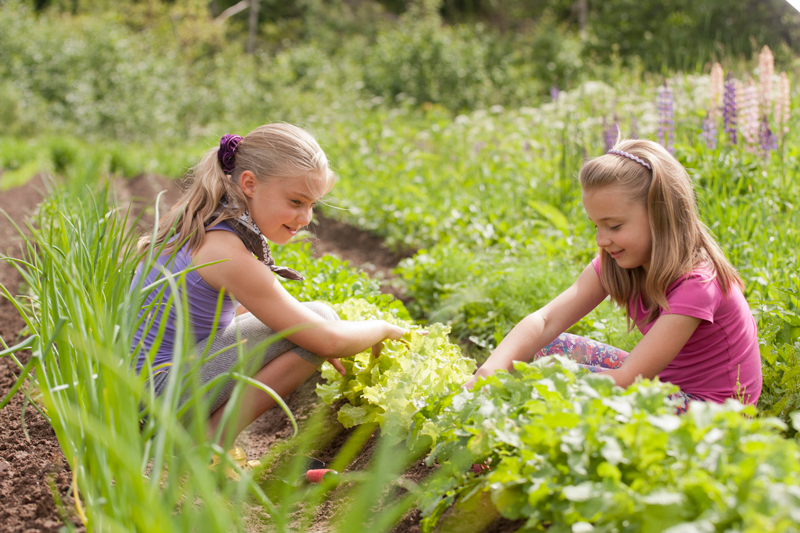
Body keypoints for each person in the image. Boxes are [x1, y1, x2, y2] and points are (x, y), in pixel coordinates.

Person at [131, 123, 406, 445]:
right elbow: (327, 341)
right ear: (249, 183)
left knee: (314, 320)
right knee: (320, 322)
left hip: (141, 389)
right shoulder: (226, 252)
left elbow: (246, 311)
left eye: (312, 205)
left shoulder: (209, 222)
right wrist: (383, 328)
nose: (305, 218)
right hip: (156, 399)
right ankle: (207, 442)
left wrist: (311, 331)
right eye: (296, 201)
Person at [465, 139, 762, 413]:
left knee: (559, 380)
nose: (601, 240)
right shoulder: (617, 262)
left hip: (713, 414)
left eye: (614, 226)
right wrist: (491, 370)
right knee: (552, 346)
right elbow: (545, 321)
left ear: (660, 215)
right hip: (664, 387)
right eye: (597, 226)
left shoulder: (698, 283)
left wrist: (530, 391)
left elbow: (628, 379)